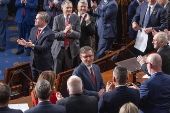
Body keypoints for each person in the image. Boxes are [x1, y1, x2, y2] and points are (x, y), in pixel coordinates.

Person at [17, 12, 55, 82]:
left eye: (37, 19)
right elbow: (30, 42)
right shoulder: (33, 29)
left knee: (43, 84)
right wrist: (25, 44)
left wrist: (31, 45)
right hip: (33, 61)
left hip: (43, 64)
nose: (35, 20)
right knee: (34, 81)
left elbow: (44, 48)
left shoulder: (50, 33)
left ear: (43, 21)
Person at [51, 0, 81, 74]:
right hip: (59, 49)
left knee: (68, 73)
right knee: (57, 72)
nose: (69, 10)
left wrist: (71, 31)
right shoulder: (57, 18)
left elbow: (78, 35)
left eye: (70, 8)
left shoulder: (76, 18)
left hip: (71, 50)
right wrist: (64, 31)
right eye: (67, 8)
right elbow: (54, 35)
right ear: (62, 9)